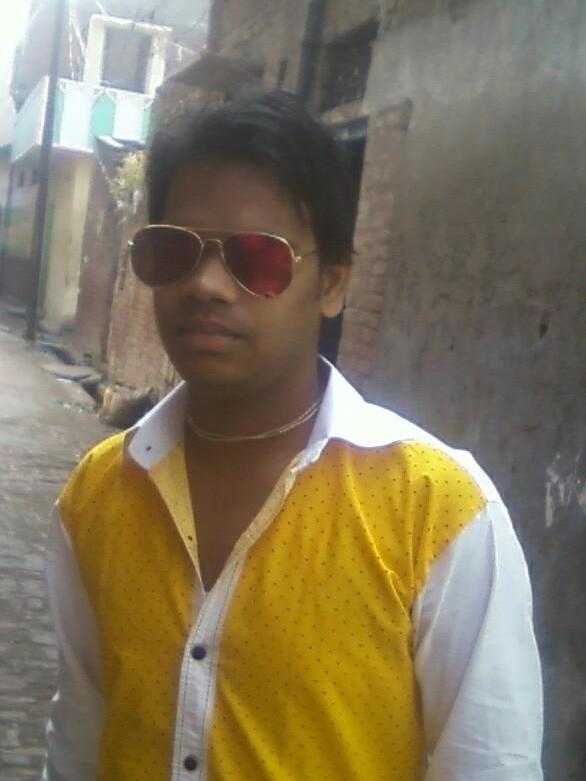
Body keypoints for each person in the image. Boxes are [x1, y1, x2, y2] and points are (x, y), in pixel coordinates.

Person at [43, 91, 543, 781]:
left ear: (332, 283)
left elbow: (491, 764)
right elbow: (80, 735)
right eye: (174, 250)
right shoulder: (98, 494)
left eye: (257, 259)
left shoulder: (436, 511)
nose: (206, 285)